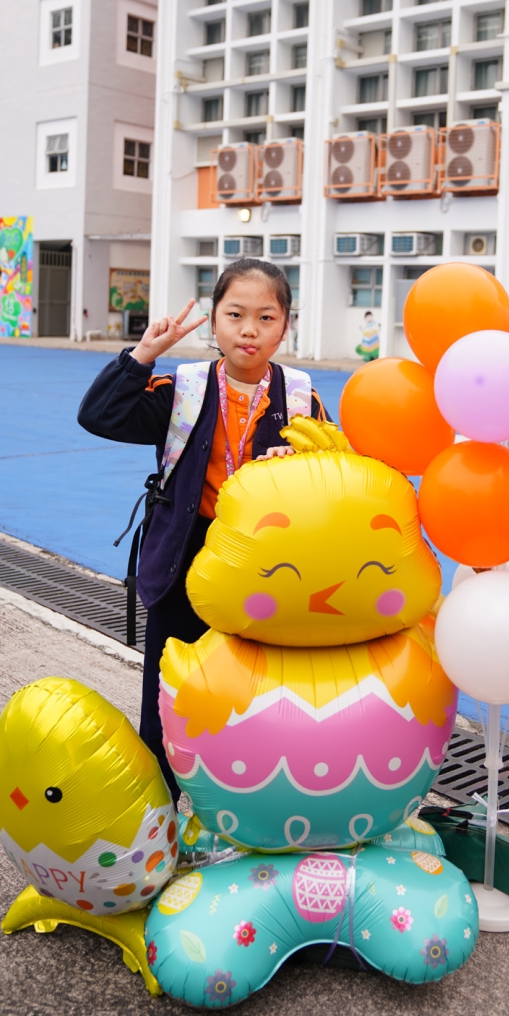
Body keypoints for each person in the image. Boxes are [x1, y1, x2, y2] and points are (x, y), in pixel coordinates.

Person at [77, 258, 326, 800]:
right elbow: (99, 415)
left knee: (256, 696)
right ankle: (161, 811)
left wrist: (302, 466)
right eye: (235, 314)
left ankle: (241, 806)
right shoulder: (183, 390)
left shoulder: (302, 400)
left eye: (266, 317)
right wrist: (143, 356)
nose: (249, 330)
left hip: (266, 572)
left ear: (286, 326)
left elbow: (335, 481)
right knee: (169, 698)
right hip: (182, 563)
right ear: (214, 321)